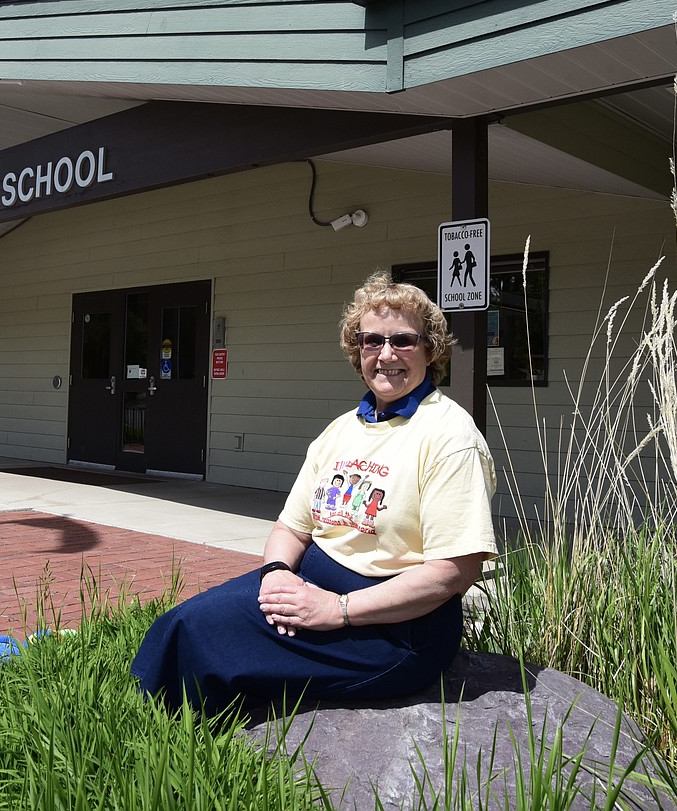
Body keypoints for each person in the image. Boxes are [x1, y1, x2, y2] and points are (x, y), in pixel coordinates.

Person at [131, 271, 497, 716]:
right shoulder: (341, 430)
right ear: (356, 349)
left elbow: (453, 572)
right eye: (371, 341)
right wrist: (277, 572)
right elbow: (291, 525)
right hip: (311, 584)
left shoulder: (447, 433)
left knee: (205, 636)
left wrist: (337, 609)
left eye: (403, 340)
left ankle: (167, 739)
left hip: (395, 629)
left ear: (429, 348)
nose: (386, 355)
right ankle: (157, 729)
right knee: (182, 623)